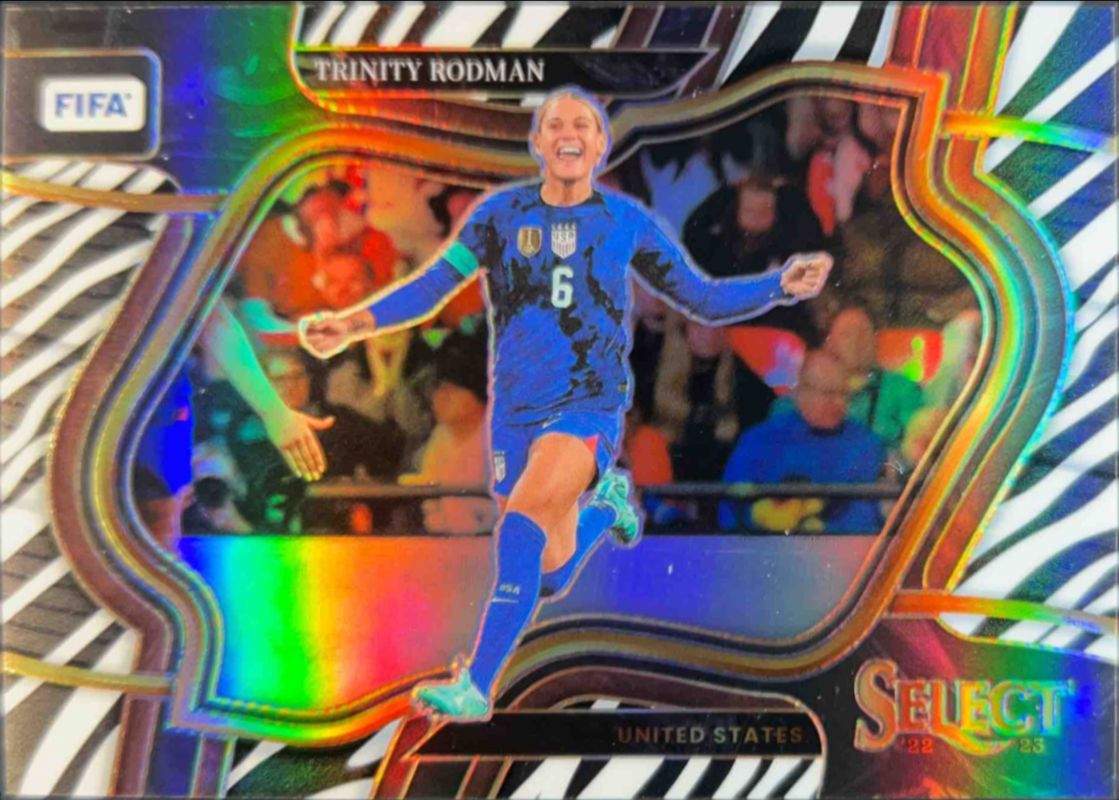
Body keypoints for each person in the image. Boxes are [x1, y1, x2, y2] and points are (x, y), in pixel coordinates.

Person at [299, 87, 832, 719]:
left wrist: (778, 285)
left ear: (600, 145)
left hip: (587, 407)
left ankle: (476, 686)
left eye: (583, 124)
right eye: (555, 124)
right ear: (539, 142)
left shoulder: (626, 223)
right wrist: (354, 323)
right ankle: (605, 510)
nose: (569, 133)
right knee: (545, 573)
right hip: (514, 415)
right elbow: (433, 287)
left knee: (520, 526)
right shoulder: (499, 217)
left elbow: (705, 299)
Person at [719, 350, 885, 534]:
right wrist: (762, 520)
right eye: (829, 393)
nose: (839, 403)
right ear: (802, 392)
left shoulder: (866, 445)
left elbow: (865, 519)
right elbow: (730, 510)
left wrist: (818, 531)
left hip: (836, 547)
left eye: (844, 394)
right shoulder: (760, 440)